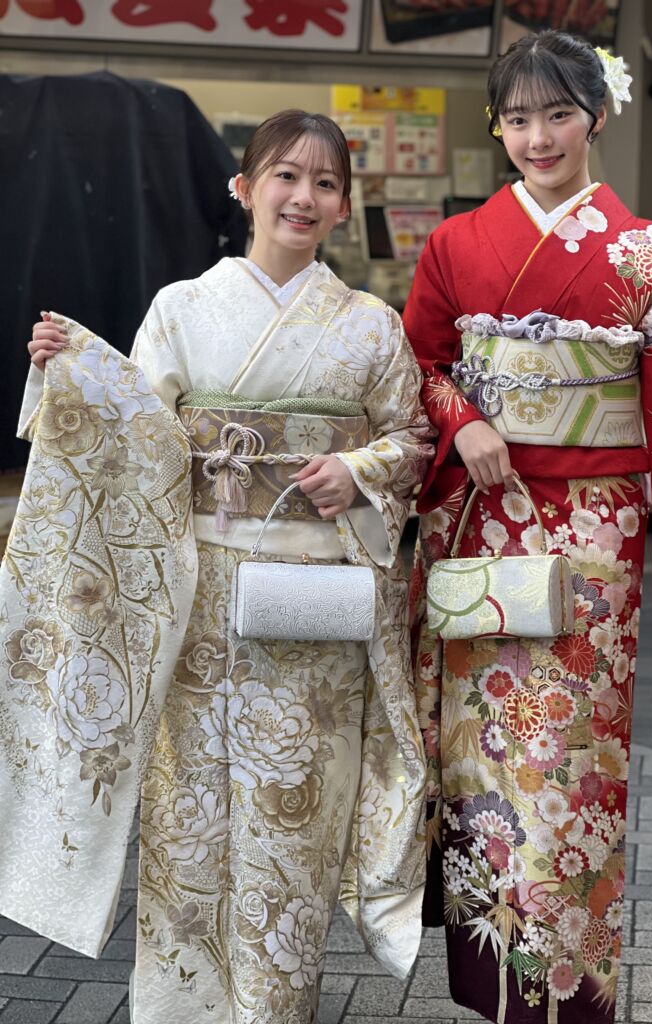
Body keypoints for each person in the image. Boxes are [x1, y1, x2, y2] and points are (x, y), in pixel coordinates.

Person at [6, 109, 433, 1024]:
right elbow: (139, 437)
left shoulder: (370, 326)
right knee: (188, 826)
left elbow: (412, 437)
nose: (304, 197)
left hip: (315, 607)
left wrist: (358, 471)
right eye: (286, 176)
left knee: (294, 820)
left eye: (326, 183)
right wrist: (72, 374)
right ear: (244, 189)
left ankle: (276, 1010)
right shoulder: (182, 309)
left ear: (343, 205)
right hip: (200, 605)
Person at [404, 31, 652, 1024]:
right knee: (482, 752)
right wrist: (463, 417)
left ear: (598, 116)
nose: (539, 138)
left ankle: (565, 992)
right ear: (497, 126)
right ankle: (494, 979)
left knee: (574, 758)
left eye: (559, 115)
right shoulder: (456, 244)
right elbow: (417, 363)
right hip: (485, 517)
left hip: (594, 531)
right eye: (519, 118)